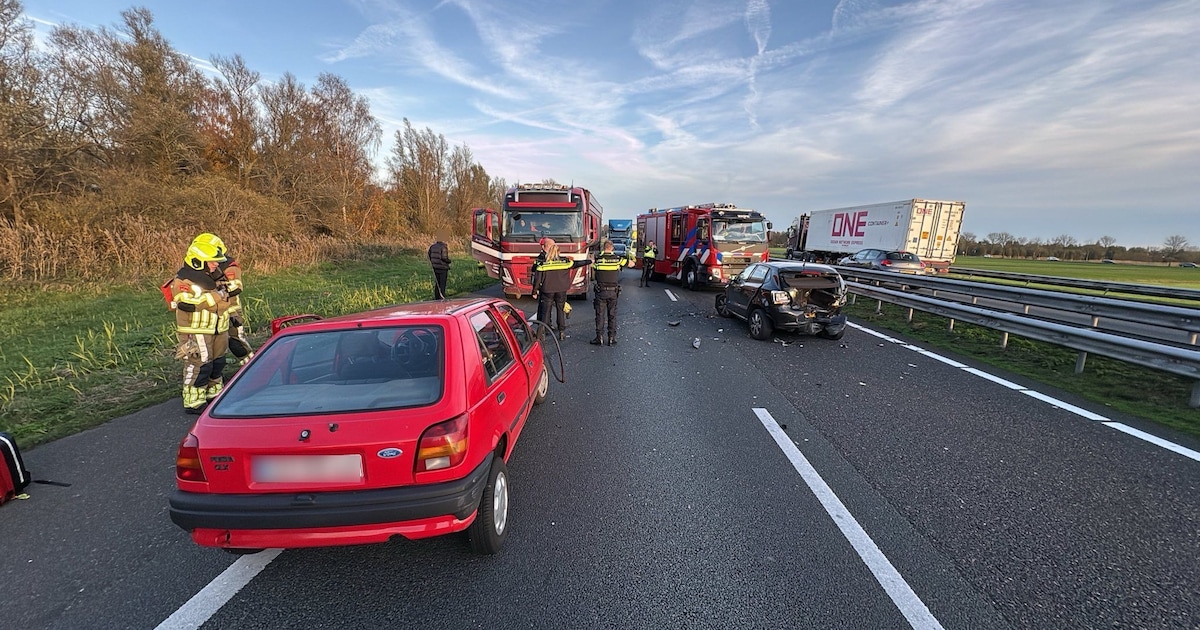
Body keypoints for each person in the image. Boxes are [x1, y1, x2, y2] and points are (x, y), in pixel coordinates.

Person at [168, 239, 230, 414]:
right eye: (211, 261)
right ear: (198, 262)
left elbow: (227, 297)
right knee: (200, 365)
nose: (215, 264)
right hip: (196, 331)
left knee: (218, 363)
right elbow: (186, 304)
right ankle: (194, 402)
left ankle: (214, 395)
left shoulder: (216, 276)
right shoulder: (183, 280)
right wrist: (216, 296)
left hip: (218, 328)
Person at [191, 233, 253, 368]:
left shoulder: (228, 265)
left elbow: (235, 287)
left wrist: (217, 291)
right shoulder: (199, 267)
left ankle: (252, 366)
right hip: (210, 314)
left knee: (236, 342)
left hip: (230, 310)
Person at [532, 238, 591, 341]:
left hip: (547, 290)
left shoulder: (543, 263)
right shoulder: (565, 261)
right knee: (560, 310)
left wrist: (534, 291)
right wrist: (589, 261)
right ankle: (561, 332)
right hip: (561, 290)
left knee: (545, 312)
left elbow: (537, 278)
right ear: (558, 251)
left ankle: (542, 333)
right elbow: (577, 264)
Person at [590, 240, 627, 346]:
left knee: (600, 315)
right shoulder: (617, 259)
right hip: (613, 291)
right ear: (612, 248)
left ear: (603, 248)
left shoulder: (598, 259)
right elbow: (631, 263)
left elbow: (592, 265)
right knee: (612, 315)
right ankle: (611, 338)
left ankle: (599, 337)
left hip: (600, 291)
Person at [428, 233, 452, 300]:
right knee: (442, 284)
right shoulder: (443, 247)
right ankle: (442, 297)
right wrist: (449, 261)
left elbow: (429, 255)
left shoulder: (432, 246)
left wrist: (433, 262)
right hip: (443, 268)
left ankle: (436, 297)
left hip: (435, 267)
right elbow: (444, 258)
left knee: (437, 284)